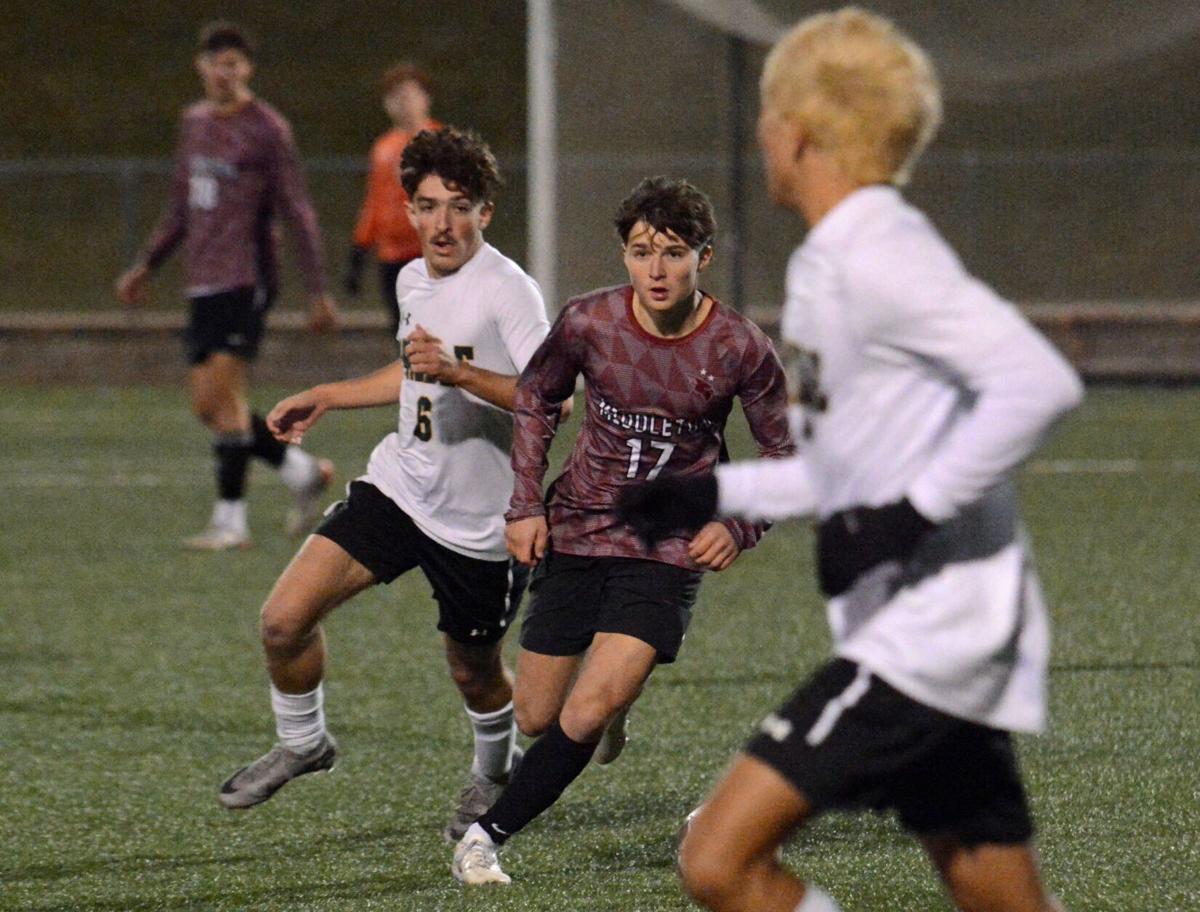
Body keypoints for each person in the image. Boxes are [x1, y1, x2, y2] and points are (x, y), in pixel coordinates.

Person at [616, 9, 1083, 912]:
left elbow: (1038, 382)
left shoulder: (879, 253)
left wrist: (909, 515)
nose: (760, 135)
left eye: (766, 114)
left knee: (717, 860)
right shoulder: (839, 255)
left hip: (932, 640)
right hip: (928, 631)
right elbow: (853, 467)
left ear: (797, 134)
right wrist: (713, 489)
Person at [450, 176, 795, 885]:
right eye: (641, 253)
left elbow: (787, 455)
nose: (656, 270)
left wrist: (742, 525)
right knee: (540, 714)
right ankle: (609, 714)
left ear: (704, 255)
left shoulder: (739, 346)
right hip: (578, 530)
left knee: (592, 698)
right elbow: (538, 402)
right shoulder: (588, 322)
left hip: (668, 545)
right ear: (624, 254)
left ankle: (485, 838)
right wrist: (523, 506)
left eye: (672, 253)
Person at [215, 127, 553, 846]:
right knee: (282, 620)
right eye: (427, 206)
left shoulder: (508, 289)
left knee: (474, 672)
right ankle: (304, 742)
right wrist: (331, 394)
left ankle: (495, 769)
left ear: (485, 213)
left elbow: (548, 396)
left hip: (479, 524)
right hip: (401, 488)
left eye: (459, 206)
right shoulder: (410, 280)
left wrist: (460, 373)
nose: (442, 223)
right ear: (408, 209)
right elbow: (413, 370)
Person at [115, 20, 339, 551]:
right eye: (216, 62)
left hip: (247, 277)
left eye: (234, 63)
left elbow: (298, 210)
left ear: (247, 69)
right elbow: (179, 204)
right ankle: (302, 472)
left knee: (225, 397)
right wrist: (147, 264)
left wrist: (317, 288)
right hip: (202, 279)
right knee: (207, 406)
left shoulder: (267, 128)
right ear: (202, 66)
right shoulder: (192, 123)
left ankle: (231, 522)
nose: (224, 72)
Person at [342, 63, 439, 337]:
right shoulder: (384, 147)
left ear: (425, 98)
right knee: (402, 333)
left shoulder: (441, 142)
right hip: (392, 255)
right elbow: (375, 202)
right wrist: (359, 252)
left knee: (436, 332)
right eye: (395, 97)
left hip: (431, 252)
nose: (403, 104)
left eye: (409, 95)